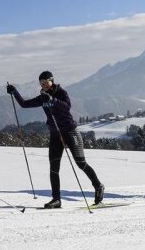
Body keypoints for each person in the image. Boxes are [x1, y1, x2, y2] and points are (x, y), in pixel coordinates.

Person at [6, 71, 104, 209]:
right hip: (55, 134)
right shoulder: (42, 97)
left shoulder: (61, 93)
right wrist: (14, 91)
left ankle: (98, 186)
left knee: (80, 163)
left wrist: (52, 100)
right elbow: (24, 104)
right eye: (41, 83)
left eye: (46, 82)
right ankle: (56, 199)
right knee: (53, 168)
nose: (44, 85)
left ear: (52, 81)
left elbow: (67, 106)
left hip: (70, 132)